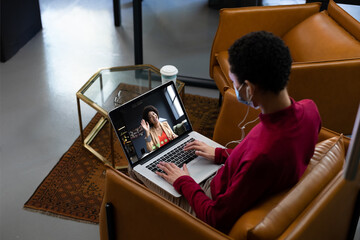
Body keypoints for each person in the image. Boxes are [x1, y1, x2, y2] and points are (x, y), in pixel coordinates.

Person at [154, 31, 322, 233]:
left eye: (234, 81)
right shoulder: (311, 111)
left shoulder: (262, 156)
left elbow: (215, 217)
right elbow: (254, 162)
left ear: (249, 89)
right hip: (234, 180)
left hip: (210, 198)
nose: (233, 86)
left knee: (135, 171)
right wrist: (221, 154)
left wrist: (183, 181)